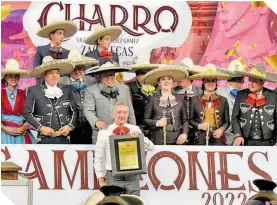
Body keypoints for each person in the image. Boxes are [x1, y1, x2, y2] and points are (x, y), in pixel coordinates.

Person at [94, 102, 154, 196]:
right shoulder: (104, 132)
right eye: (119, 112)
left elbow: (151, 147)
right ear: (112, 114)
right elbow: (98, 157)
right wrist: (100, 178)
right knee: (115, 202)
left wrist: (140, 137)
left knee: (133, 202)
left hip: (132, 175)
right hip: (113, 175)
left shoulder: (135, 129)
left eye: (125, 112)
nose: (122, 115)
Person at [24, 56, 77, 144]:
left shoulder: (67, 89)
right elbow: (27, 113)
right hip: (43, 138)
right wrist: (41, 128)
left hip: (64, 137)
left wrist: (69, 126)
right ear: (44, 75)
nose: (55, 76)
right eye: (51, 73)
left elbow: (75, 111)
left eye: (57, 73)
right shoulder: (33, 90)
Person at [84, 58, 135, 144]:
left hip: (123, 133)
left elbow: (130, 111)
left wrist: (133, 129)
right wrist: (96, 121)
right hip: (102, 133)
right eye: (105, 74)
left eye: (111, 74)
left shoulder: (124, 88)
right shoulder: (91, 90)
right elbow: (88, 110)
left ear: (115, 74)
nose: (108, 77)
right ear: (100, 75)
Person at [232, 63, 277, 146]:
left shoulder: (273, 96)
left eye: (255, 81)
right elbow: (235, 118)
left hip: (267, 141)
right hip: (245, 140)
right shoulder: (241, 94)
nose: (251, 83)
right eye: (250, 80)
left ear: (262, 82)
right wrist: (238, 135)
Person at [143, 65, 189, 145]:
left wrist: (184, 134)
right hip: (158, 139)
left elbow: (185, 120)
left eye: (169, 79)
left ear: (172, 81)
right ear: (159, 83)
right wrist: (157, 123)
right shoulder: (153, 99)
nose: (166, 81)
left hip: (177, 139)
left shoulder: (180, 98)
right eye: (163, 79)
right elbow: (146, 119)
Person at [59, 50, 98, 144]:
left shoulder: (92, 81)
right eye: (74, 68)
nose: (77, 71)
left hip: (89, 123)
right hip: (69, 124)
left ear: (84, 68)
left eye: (80, 68)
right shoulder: (61, 82)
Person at [189, 64, 231, 145]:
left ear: (216, 83)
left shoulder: (223, 100)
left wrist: (221, 130)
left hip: (217, 137)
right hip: (199, 138)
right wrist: (199, 126)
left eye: (213, 81)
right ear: (203, 83)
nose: (210, 83)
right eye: (207, 80)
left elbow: (227, 122)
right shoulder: (194, 100)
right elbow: (190, 120)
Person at [1, 59, 36, 144]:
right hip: (4, 133)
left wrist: (24, 127)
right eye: (10, 76)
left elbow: (29, 114)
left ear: (19, 77)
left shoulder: (25, 93)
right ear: (5, 77)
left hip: (21, 133)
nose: (13, 78)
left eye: (16, 76)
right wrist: (6, 129)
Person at [126, 57, 159, 137]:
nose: (146, 75)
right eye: (143, 73)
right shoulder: (129, 87)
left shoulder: (156, 86)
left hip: (154, 126)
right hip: (137, 125)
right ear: (137, 74)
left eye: (148, 72)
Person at [216, 60, 245, 145]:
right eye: (243, 79)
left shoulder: (245, 94)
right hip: (221, 137)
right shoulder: (218, 92)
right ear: (241, 79)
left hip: (241, 138)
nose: (243, 82)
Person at [175, 57, 203, 144]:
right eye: (179, 74)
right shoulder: (172, 92)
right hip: (177, 133)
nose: (179, 77)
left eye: (183, 75)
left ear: (190, 76)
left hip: (197, 133)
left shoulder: (200, 92)